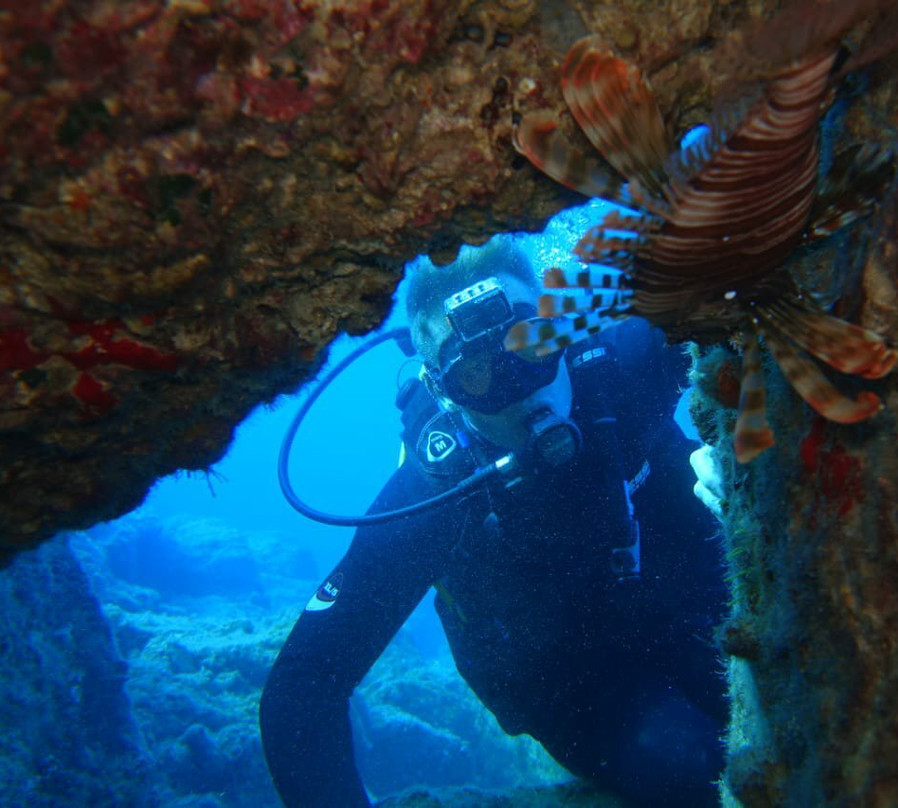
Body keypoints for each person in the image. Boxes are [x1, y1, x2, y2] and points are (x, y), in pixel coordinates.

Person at [260, 237, 729, 807]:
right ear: (443, 392)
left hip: (698, 601)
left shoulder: (625, 365)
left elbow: (741, 292)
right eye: (478, 374)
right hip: (576, 685)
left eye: (531, 346)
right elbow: (304, 683)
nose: (520, 391)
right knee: (691, 765)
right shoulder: (437, 492)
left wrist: (742, 443)